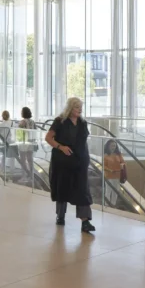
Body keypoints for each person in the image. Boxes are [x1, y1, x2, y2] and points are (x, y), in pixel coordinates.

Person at [45, 97, 96, 233]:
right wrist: (61, 147)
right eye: (77, 107)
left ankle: (85, 221)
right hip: (63, 161)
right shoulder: (60, 121)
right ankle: (60, 216)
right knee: (62, 188)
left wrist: (86, 158)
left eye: (80, 107)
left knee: (82, 190)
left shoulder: (82, 123)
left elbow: (83, 143)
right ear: (70, 108)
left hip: (80, 161)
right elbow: (48, 138)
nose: (80, 109)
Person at [102, 139, 126, 209]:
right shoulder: (105, 155)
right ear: (108, 146)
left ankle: (113, 205)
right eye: (112, 146)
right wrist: (111, 170)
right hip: (109, 175)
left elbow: (123, 162)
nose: (113, 147)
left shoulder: (118, 154)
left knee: (116, 191)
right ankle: (106, 205)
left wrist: (122, 164)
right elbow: (104, 166)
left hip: (117, 175)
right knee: (108, 191)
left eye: (114, 146)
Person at [16, 107, 37, 178]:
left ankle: (25, 174)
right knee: (30, 159)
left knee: (23, 160)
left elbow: (19, 133)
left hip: (23, 142)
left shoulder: (22, 122)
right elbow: (35, 131)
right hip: (31, 142)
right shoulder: (32, 121)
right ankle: (31, 175)